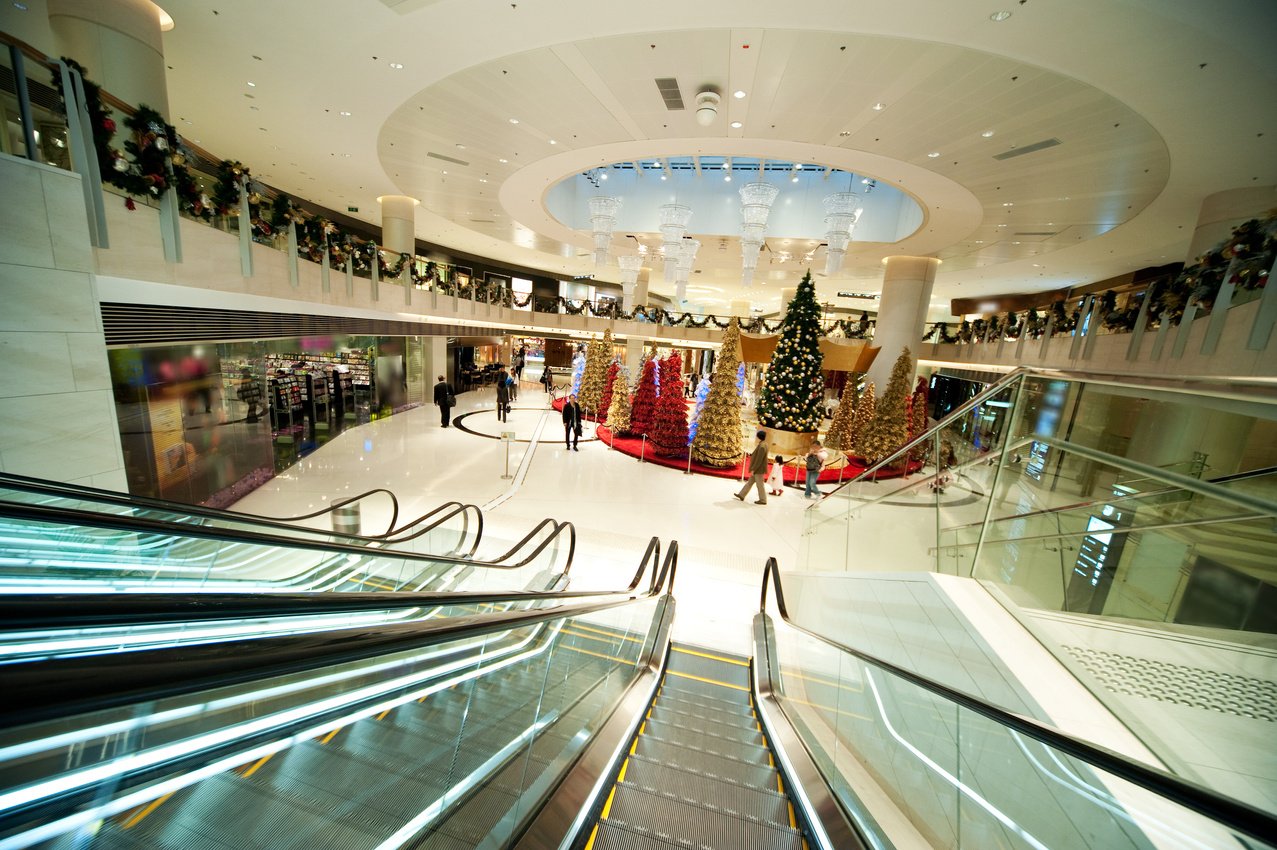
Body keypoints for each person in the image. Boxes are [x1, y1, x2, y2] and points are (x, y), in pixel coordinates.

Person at [734, 430, 769, 504]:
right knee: (749, 482)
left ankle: (763, 500)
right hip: (758, 469)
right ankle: (742, 495)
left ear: (759, 437)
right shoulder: (764, 444)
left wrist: (753, 469)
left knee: (760, 485)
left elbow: (759, 460)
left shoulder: (762, 446)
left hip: (758, 470)